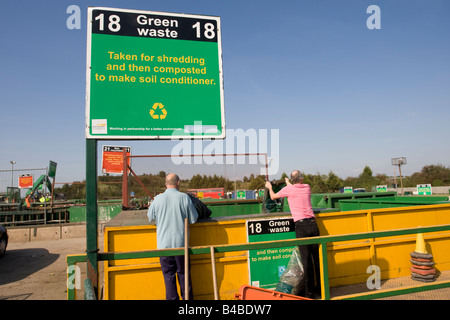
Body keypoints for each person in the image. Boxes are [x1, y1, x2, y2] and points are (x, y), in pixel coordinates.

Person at [265, 170, 321, 299]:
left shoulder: (288, 190)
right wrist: (288, 183)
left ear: (292, 180)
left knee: (306, 261)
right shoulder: (307, 187)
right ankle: (321, 289)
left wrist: (270, 187)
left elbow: (273, 197)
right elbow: (295, 188)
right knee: (317, 259)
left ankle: (309, 293)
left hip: (301, 227)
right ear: (301, 179)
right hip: (313, 224)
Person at [147, 173, 199, 300]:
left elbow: (150, 217)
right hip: (181, 245)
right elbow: (193, 219)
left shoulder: (157, 199)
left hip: (163, 247)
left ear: (166, 184)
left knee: (168, 276)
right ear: (178, 183)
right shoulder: (185, 198)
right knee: (184, 275)